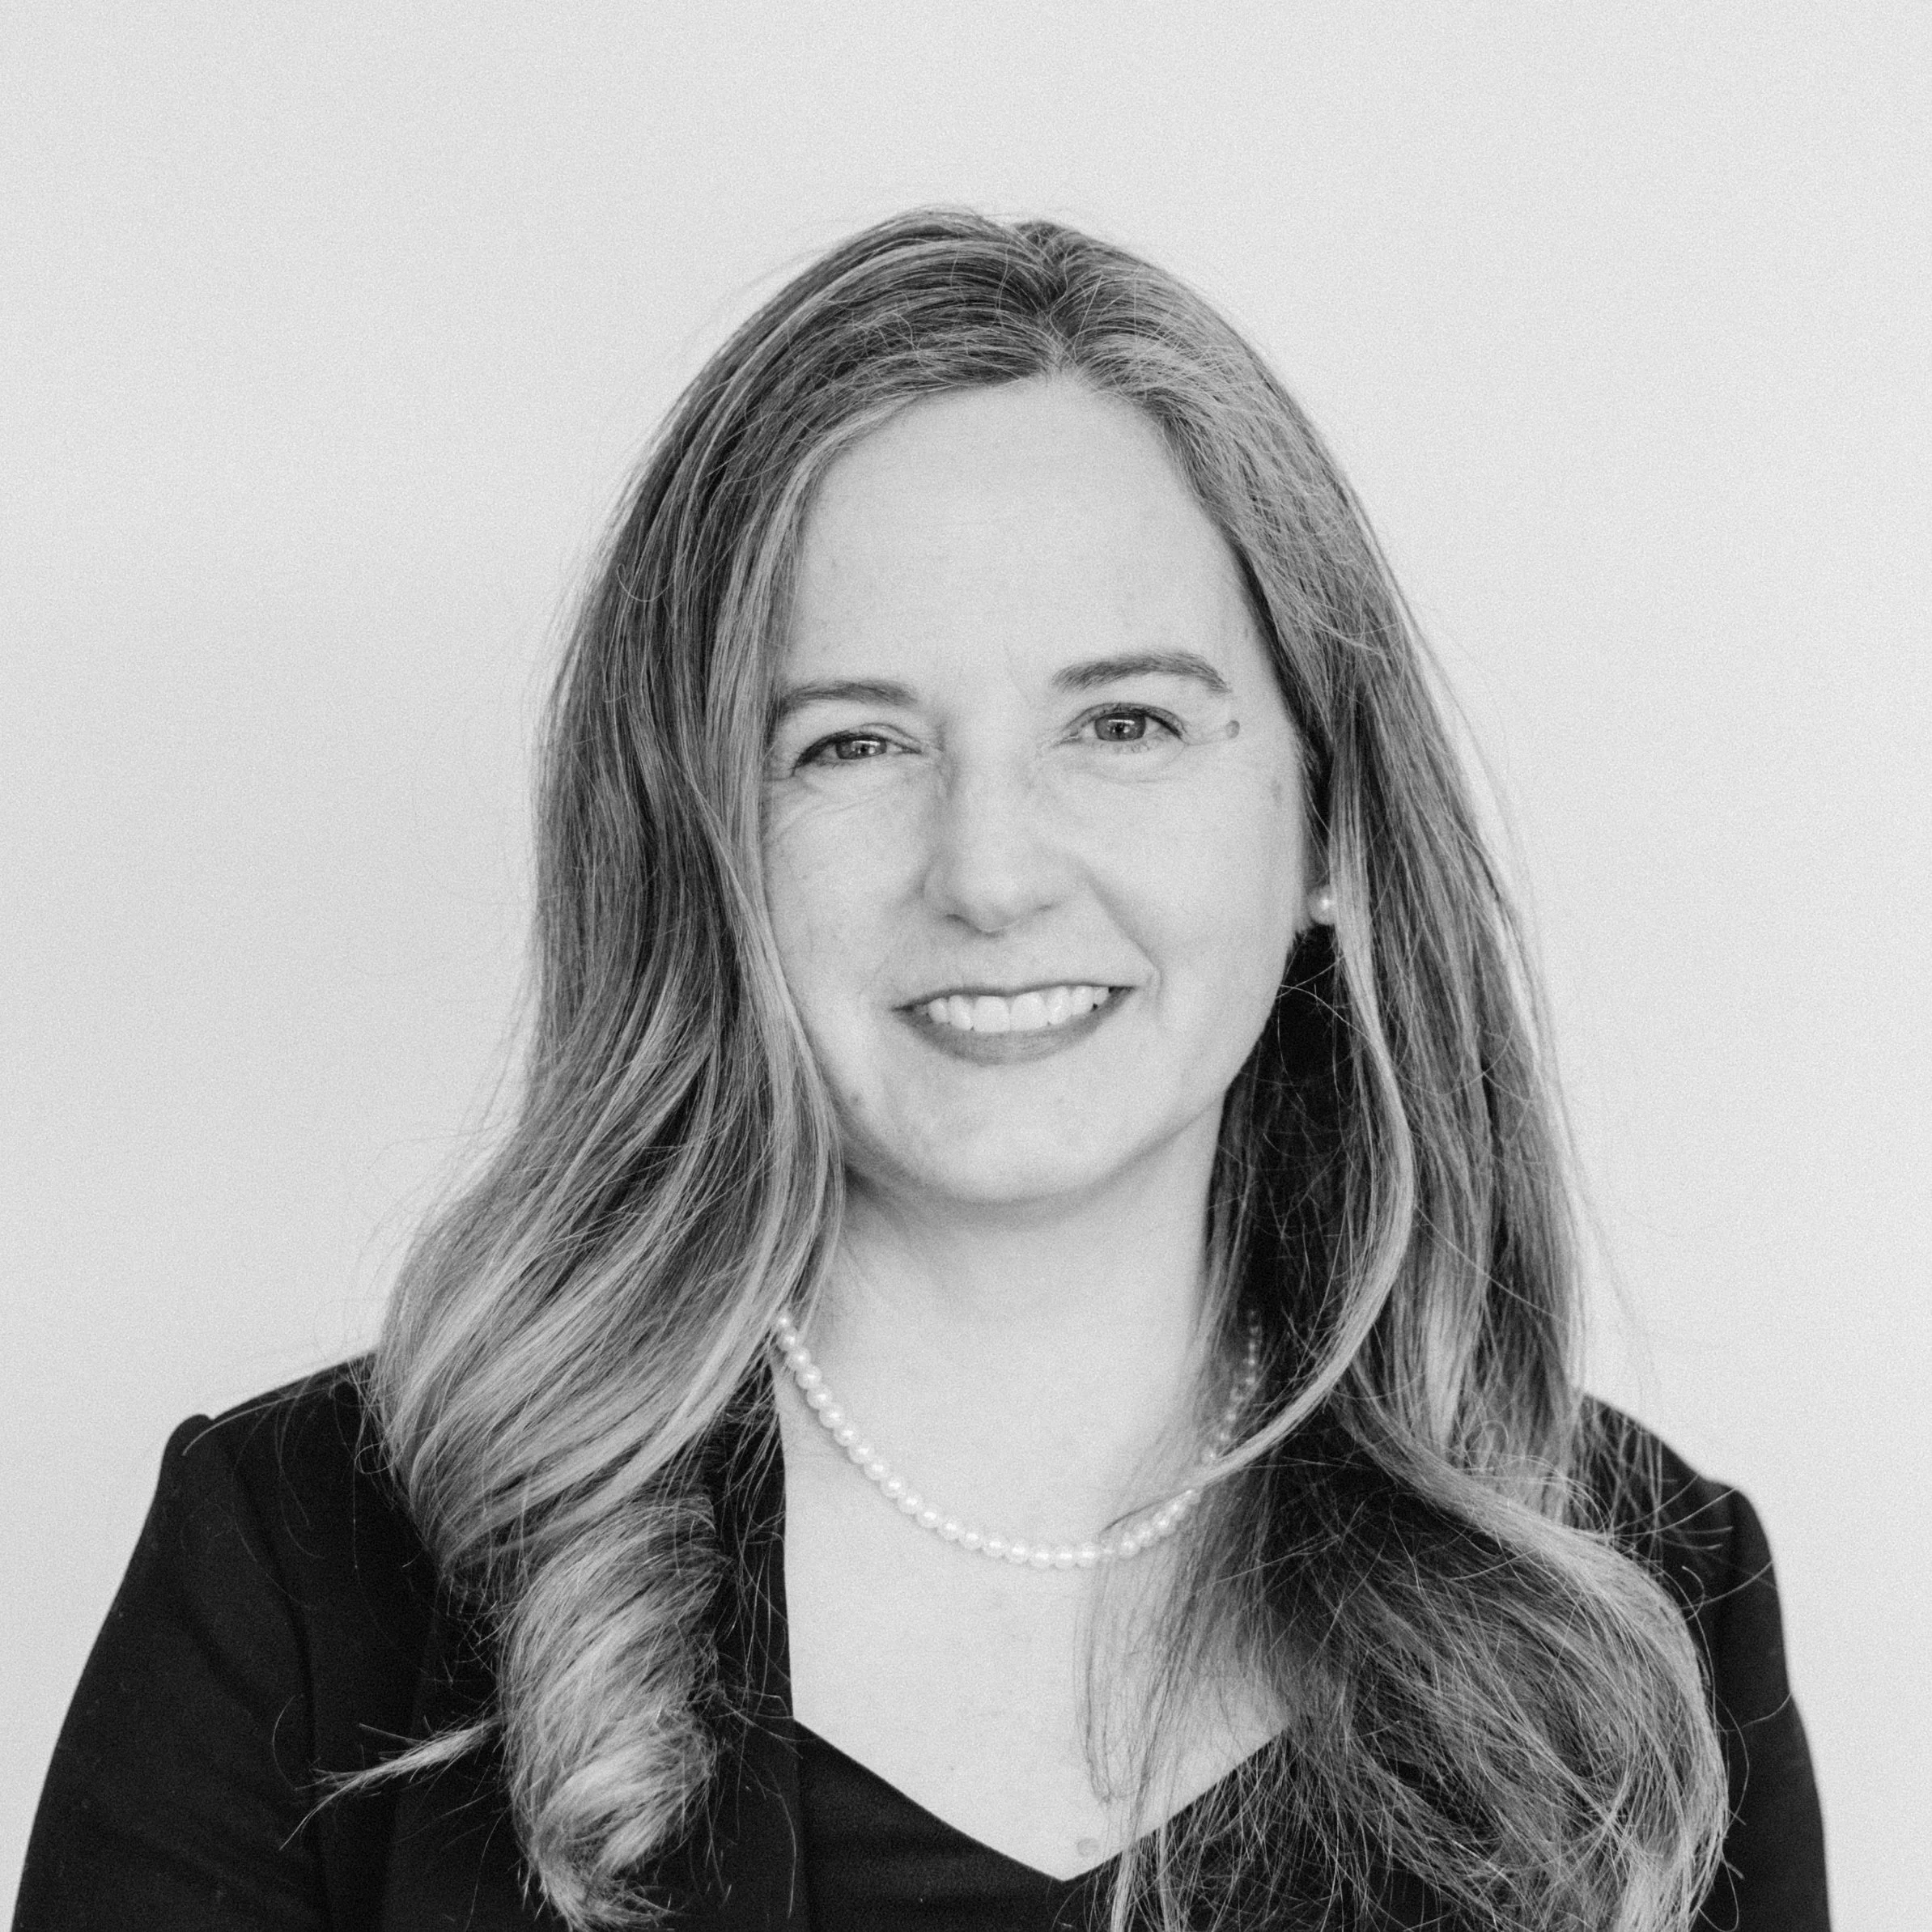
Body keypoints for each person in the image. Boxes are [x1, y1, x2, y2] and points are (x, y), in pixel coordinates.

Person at [16, 210, 1828, 1932]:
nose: (989, 870)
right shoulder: (313, 1570)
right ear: (699, 838)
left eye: (1123, 721)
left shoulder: (1639, 1608)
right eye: (853, 742)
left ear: (1328, 818)